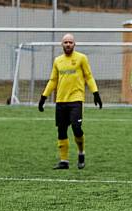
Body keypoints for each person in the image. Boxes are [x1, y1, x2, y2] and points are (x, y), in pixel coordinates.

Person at [38, 33, 102, 170]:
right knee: (61, 131)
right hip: (61, 100)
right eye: (65, 42)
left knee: (76, 128)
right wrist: (43, 97)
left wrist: (95, 93)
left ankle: (81, 153)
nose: (68, 44)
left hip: (76, 99)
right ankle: (64, 161)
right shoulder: (57, 61)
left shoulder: (81, 58)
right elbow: (53, 80)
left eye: (70, 42)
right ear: (62, 44)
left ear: (74, 44)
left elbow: (89, 77)